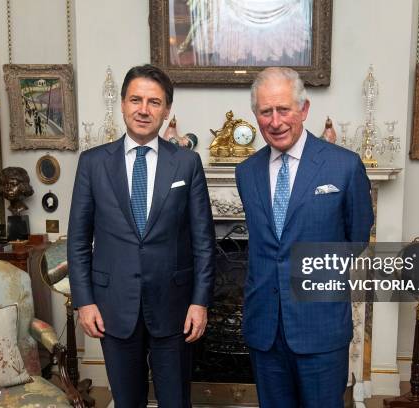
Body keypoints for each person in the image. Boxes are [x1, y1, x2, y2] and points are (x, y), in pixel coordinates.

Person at [68, 64, 215, 407]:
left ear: (166, 111)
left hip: (175, 308)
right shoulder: (92, 164)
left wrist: (200, 302)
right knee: (126, 401)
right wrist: (85, 301)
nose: (143, 109)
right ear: (122, 104)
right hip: (113, 306)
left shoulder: (187, 163)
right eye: (136, 99)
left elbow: (204, 242)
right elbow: (77, 241)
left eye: (154, 102)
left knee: (176, 401)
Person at [235, 67, 374, 408]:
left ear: (304, 109)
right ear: (256, 115)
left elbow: (356, 238)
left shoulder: (344, 166)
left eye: (284, 109)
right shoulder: (246, 172)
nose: (275, 121)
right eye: (266, 112)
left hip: (320, 327)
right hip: (265, 330)